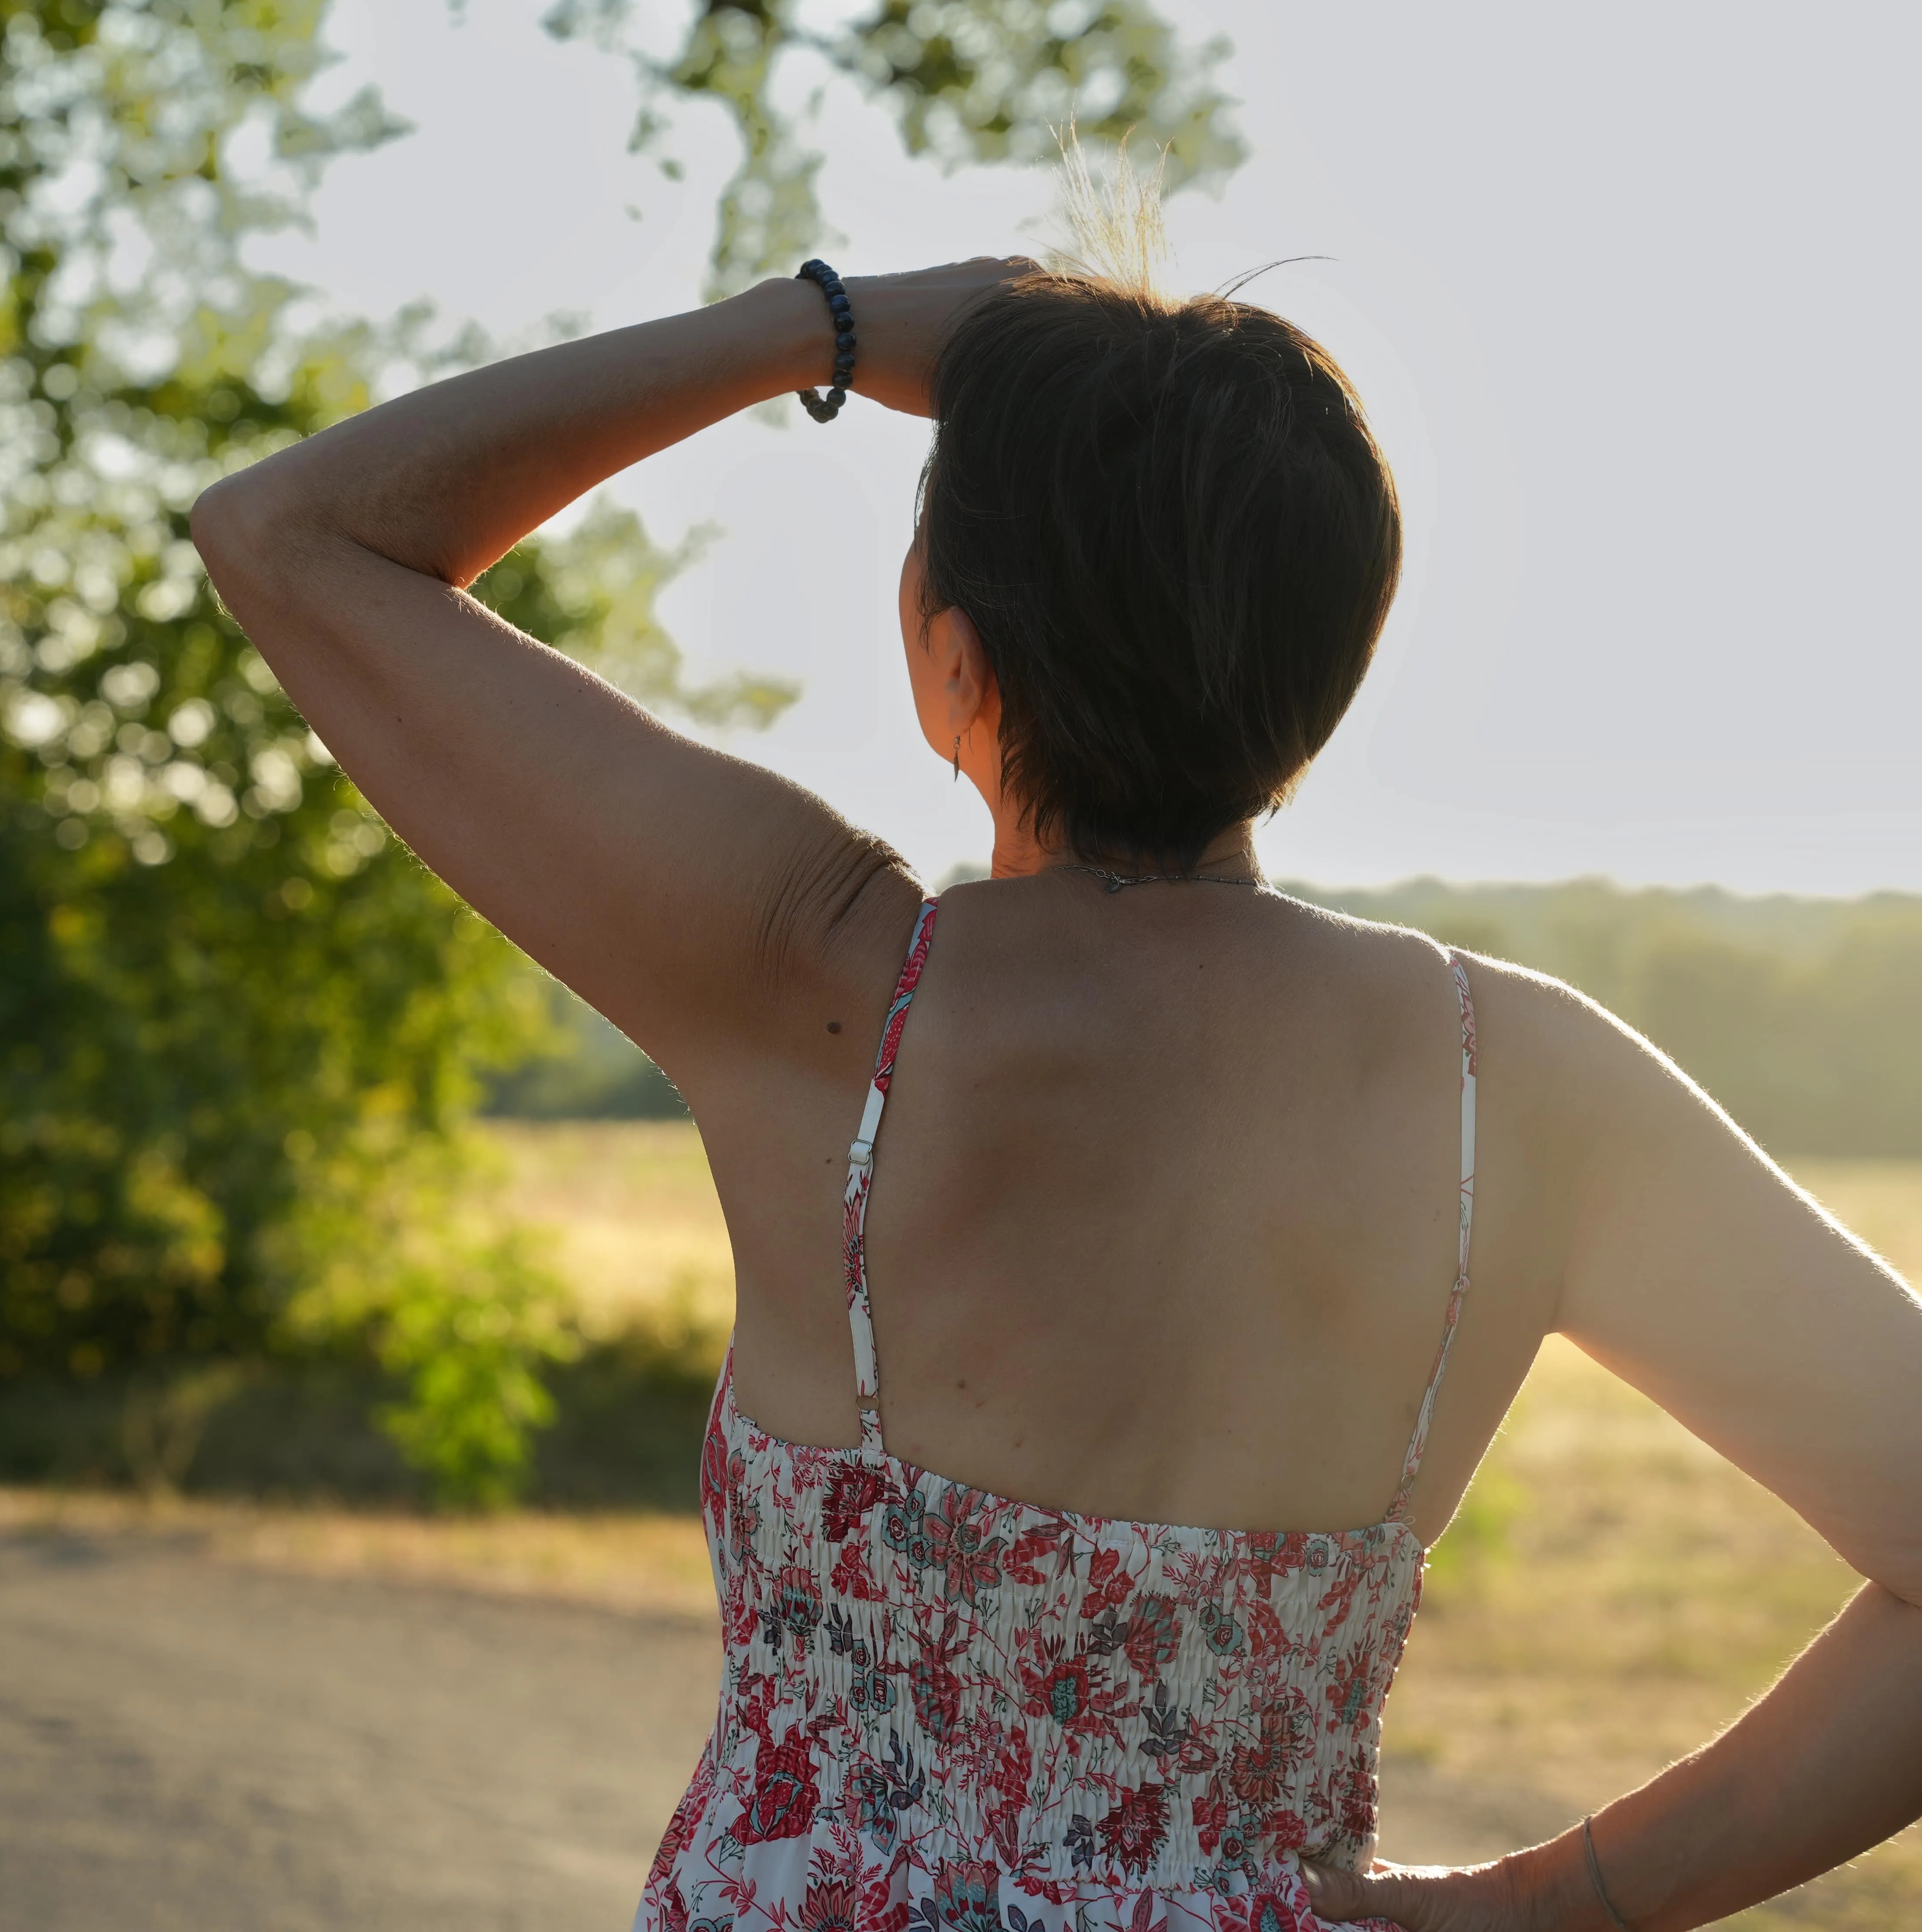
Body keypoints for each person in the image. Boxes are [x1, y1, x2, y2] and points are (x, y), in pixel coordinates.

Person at [187, 240, 1922, 1930]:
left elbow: (291, 532)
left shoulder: (812, 979)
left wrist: (820, 328)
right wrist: (1565, 1906)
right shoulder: (1526, 1095)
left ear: (954, 664)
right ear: (1326, 667)